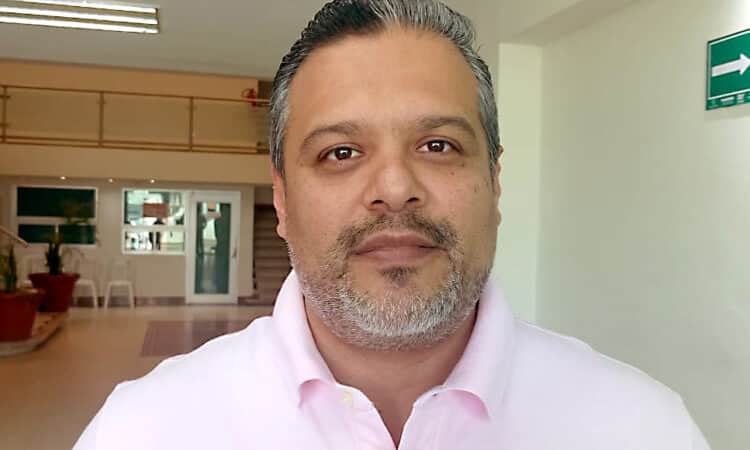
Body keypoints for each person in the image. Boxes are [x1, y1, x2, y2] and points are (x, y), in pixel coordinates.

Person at [73, 1, 711, 449]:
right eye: (340, 152)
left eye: (437, 145)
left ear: (494, 181)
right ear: (282, 199)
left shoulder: (643, 429)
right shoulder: (145, 430)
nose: (396, 188)